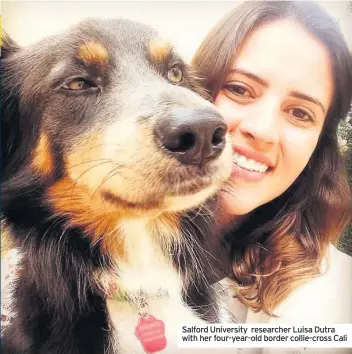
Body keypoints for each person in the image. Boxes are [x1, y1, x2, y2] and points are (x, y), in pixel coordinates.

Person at [191, 0, 352, 331]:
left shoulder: (336, 299)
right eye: (239, 89)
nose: (262, 130)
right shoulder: (77, 233)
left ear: (318, 146)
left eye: (300, 113)